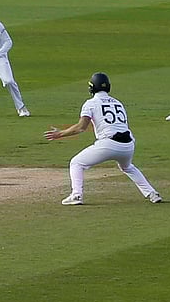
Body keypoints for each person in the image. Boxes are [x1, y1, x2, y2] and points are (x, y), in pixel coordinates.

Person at [43, 73, 162, 206]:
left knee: (76, 163)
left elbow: (81, 127)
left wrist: (60, 134)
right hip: (128, 145)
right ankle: (152, 193)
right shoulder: (118, 102)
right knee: (127, 167)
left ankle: (76, 195)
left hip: (108, 144)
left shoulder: (91, 103)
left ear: (91, 88)